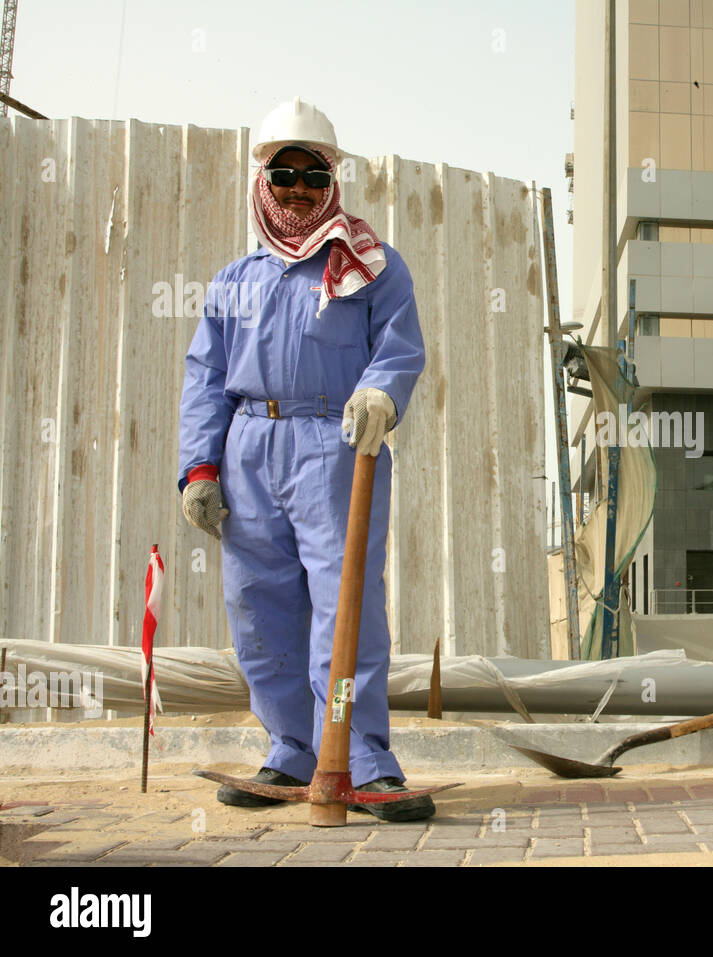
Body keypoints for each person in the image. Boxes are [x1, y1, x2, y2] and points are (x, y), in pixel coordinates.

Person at [178, 98, 431, 821]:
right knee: (259, 607)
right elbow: (205, 375)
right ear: (261, 179)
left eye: (311, 175)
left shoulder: (371, 266)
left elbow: (399, 346)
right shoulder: (234, 282)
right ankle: (291, 750)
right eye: (282, 173)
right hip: (250, 448)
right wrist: (199, 467)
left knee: (345, 607)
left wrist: (382, 392)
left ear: (332, 182)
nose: (296, 189)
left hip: (337, 445)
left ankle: (362, 757)